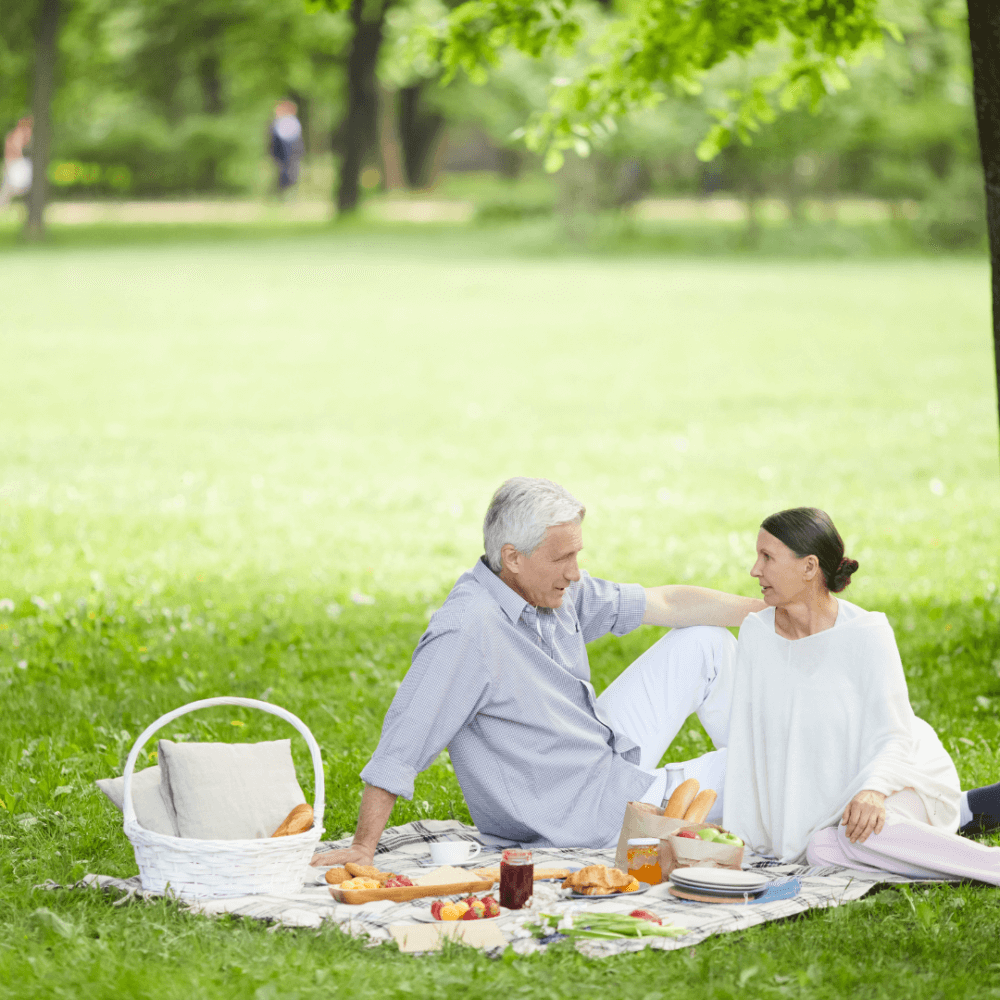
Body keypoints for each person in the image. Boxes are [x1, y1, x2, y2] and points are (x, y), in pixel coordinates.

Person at [312, 477, 765, 866]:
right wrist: (362, 846)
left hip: (595, 758)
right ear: (512, 557)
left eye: (576, 555)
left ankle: (766, 801)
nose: (575, 572)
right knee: (781, 758)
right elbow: (403, 741)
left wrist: (774, 610)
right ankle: (772, 801)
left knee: (705, 642)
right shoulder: (468, 632)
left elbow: (667, 603)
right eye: (561, 558)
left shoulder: (549, 591)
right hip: (580, 817)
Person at [723, 507, 1000, 883]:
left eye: (767, 557)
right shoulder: (756, 633)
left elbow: (896, 735)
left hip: (899, 776)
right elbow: (748, 742)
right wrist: (743, 836)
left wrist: (874, 790)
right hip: (833, 806)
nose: (755, 570)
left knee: (863, 835)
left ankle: (990, 863)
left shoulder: (867, 633)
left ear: (809, 567)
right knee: (822, 849)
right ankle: (942, 850)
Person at [269, 101, 304, 193]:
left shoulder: (289, 122)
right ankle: (283, 191)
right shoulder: (280, 122)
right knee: (284, 171)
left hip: (289, 150)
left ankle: (287, 190)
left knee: (290, 172)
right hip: (283, 151)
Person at [0, 117, 33, 208]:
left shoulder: (13, 134)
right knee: (10, 187)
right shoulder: (18, 134)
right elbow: (16, 147)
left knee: (8, 187)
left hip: (12, 162)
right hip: (14, 163)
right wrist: (21, 159)